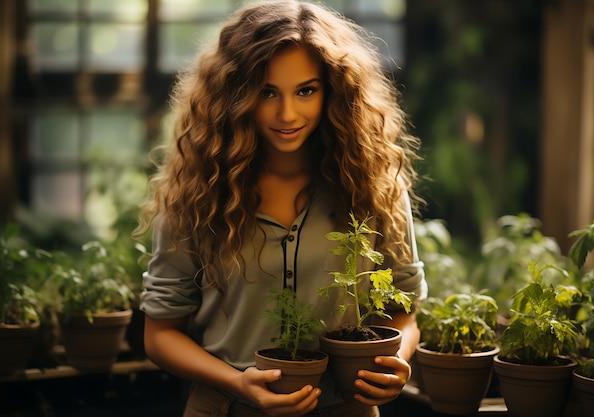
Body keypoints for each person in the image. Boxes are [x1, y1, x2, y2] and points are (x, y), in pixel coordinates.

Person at [137, 1, 427, 416]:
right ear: (234, 95)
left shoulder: (374, 187)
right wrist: (235, 381)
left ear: (334, 92)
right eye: (266, 92)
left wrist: (395, 363)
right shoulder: (198, 193)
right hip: (226, 408)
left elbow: (405, 312)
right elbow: (160, 334)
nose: (286, 113)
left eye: (305, 90)